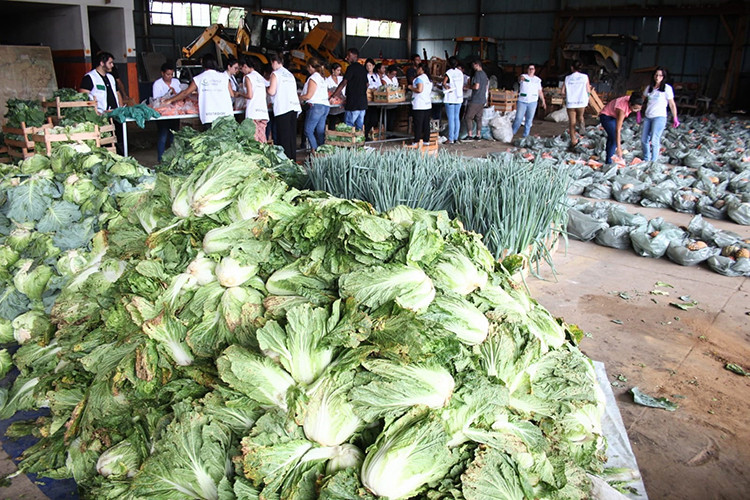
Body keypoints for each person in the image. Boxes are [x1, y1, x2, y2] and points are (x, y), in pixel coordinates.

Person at [164, 53, 233, 127]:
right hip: (226, 115)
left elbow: (185, 93)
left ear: (203, 64)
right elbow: (231, 94)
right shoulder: (224, 77)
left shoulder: (199, 78)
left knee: (212, 137)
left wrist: (170, 100)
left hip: (209, 116)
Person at [80, 51, 123, 153]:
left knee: (118, 139)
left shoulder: (111, 77)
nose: (112, 65)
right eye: (110, 63)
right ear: (102, 63)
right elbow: (83, 96)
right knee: (105, 141)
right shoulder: (90, 77)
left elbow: (117, 93)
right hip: (101, 116)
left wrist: (121, 108)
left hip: (115, 114)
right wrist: (94, 112)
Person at [639, 67, 679, 162]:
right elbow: (641, 101)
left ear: (663, 77)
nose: (657, 77)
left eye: (660, 75)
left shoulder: (667, 89)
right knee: (644, 140)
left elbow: (672, 104)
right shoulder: (649, 88)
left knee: (654, 140)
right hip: (648, 116)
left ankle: (653, 161)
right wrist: (638, 113)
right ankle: (646, 159)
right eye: (656, 75)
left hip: (659, 117)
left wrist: (675, 118)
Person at [267, 53, 301, 161]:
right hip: (293, 107)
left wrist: (265, 89)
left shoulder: (275, 74)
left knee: (284, 137)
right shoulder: (289, 74)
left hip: (283, 107)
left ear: (274, 62)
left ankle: (285, 161)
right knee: (291, 136)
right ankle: (293, 159)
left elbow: (272, 91)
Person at [599, 93, 644, 164]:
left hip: (613, 116)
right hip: (606, 116)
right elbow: (618, 130)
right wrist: (619, 148)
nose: (636, 111)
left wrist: (638, 117)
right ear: (629, 104)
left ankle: (609, 158)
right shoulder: (621, 110)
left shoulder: (634, 99)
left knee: (611, 138)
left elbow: (638, 107)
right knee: (614, 138)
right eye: (635, 108)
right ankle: (609, 162)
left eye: (638, 109)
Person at [330, 48, 368, 131]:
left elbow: (344, 82)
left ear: (355, 56)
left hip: (353, 103)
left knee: (349, 127)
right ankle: (359, 143)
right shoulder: (363, 69)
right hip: (362, 103)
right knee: (359, 127)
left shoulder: (351, 68)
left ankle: (349, 144)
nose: (347, 57)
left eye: (348, 55)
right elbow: (367, 84)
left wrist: (334, 95)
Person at [151, 62, 182, 162]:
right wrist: (167, 95)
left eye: (171, 74)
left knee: (174, 136)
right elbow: (157, 101)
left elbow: (180, 96)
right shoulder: (157, 84)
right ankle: (160, 160)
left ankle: (174, 159)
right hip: (163, 114)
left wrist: (174, 93)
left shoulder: (176, 82)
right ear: (162, 73)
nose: (170, 77)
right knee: (163, 136)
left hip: (174, 113)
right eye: (168, 74)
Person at [299, 58, 330, 152]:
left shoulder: (313, 78)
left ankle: (315, 151)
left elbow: (308, 96)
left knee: (308, 130)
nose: (307, 70)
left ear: (311, 67)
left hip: (316, 106)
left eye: (308, 67)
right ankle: (322, 152)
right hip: (325, 106)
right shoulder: (323, 78)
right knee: (320, 131)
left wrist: (299, 97)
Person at [562, 60, 591, 148]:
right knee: (580, 116)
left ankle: (573, 141)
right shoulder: (585, 77)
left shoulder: (567, 78)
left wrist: (566, 97)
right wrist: (587, 98)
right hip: (581, 102)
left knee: (572, 123)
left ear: (572, 67)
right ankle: (582, 124)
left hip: (571, 103)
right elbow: (588, 90)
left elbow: (562, 91)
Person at [512, 64, 546, 138]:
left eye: (532, 69)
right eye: (530, 69)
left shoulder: (537, 80)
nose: (531, 70)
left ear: (534, 70)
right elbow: (520, 78)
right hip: (522, 101)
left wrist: (543, 101)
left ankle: (526, 135)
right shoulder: (524, 76)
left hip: (532, 101)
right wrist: (522, 78)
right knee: (518, 118)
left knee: (529, 119)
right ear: (527, 70)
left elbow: (540, 91)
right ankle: (512, 132)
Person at [240, 58, 269, 143]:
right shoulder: (260, 77)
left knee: (253, 141)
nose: (242, 71)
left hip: (253, 112)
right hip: (263, 112)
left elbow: (249, 95)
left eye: (242, 69)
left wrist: (240, 94)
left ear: (245, 66)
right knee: (262, 140)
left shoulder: (248, 77)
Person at [409, 62, 433, 144]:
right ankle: (426, 140)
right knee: (426, 123)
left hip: (419, 104)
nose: (416, 70)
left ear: (421, 69)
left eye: (418, 68)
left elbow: (419, 89)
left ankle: (416, 141)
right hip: (427, 103)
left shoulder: (419, 78)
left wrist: (411, 87)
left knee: (418, 124)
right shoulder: (429, 79)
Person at [464, 59, 488, 141]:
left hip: (476, 99)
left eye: (473, 65)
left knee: (468, 117)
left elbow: (476, 86)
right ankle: (478, 135)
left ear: (477, 64)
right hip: (482, 99)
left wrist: (469, 87)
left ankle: (470, 135)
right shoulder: (484, 74)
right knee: (478, 118)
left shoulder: (477, 74)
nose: (473, 67)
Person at [442, 57, 464, 144]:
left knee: (451, 119)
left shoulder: (449, 72)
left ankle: (450, 139)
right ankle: (456, 137)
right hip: (459, 97)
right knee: (456, 118)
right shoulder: (460, 73)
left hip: (451, 97)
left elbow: (444, 83)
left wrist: (446, 86)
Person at [364, 58, 381, 140]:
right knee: (367, 118)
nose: (369, 67)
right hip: (368, 99)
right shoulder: (364, 75)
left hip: (375, 99)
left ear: (373, 66)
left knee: (374, 119)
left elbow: (380, 86)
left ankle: (370, 133)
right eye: (367, 65)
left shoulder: (376, 76)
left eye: (370, 65)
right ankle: (365, 134)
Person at [325, 63, 345, 129]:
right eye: (337, 70)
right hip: (333, 105)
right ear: (333, 70)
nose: (339, 72)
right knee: (332, 122)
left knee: (343, 122)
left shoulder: (341, 78)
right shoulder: (327, 80)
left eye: (340, 70)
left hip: (341, 105)